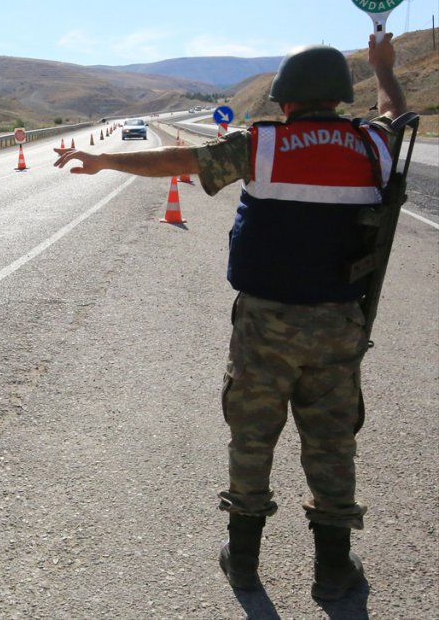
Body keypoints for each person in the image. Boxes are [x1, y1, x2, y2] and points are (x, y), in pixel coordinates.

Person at [52, 33, 407, 601]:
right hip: (341, 323)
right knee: (333, 443)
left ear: (285, 97)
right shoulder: (374, 148)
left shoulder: (263, 145)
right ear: (341, 96)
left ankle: (243, 560)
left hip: (265, 324)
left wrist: (103, 159)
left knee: (252, 436)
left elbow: (177, 159)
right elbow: (395, 112)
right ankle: (333, 569)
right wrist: (384, 69)